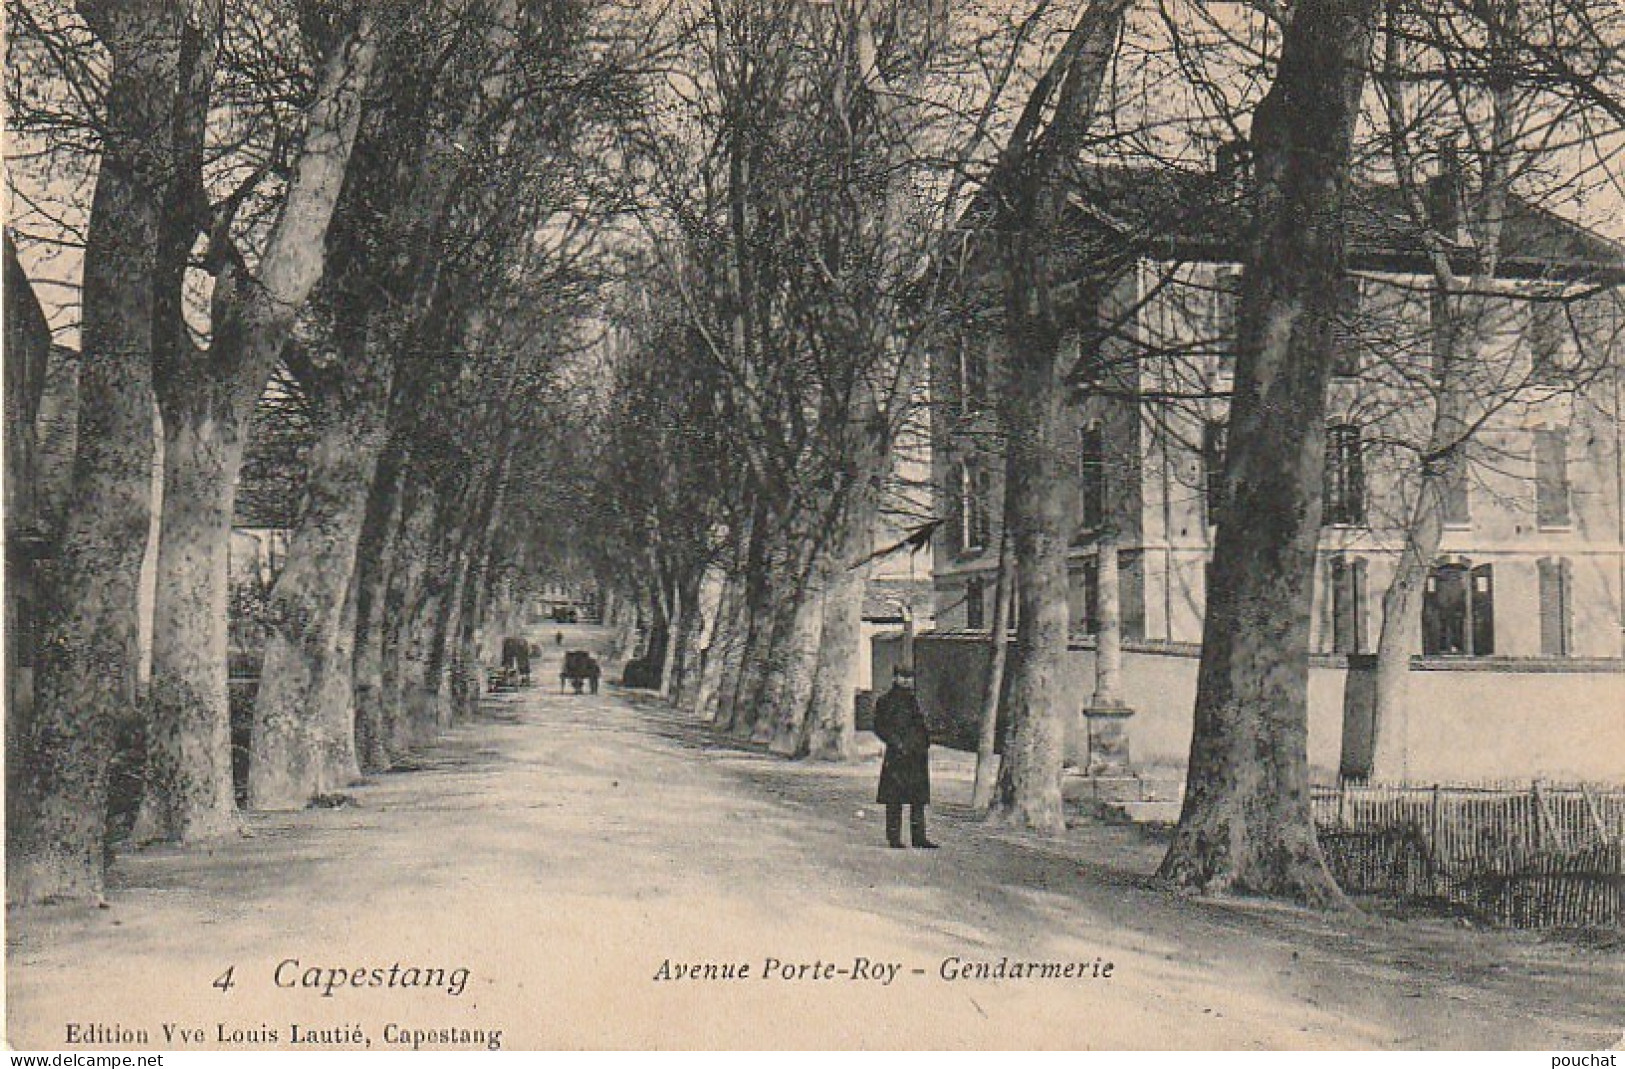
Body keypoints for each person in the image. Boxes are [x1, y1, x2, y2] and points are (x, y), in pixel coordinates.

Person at [872, 665, 937, 849]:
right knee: (894, 798)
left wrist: (925, 742)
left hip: (916, 755)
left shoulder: (913, 701)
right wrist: (896, 743)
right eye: (903, 677)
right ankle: (894, 838)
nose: (907, 681)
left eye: (910, 677)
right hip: (897, 755)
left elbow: (920, 726)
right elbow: (879, 726)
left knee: (918, 799)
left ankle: (919, 837)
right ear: (895, 678)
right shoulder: (885, 701)